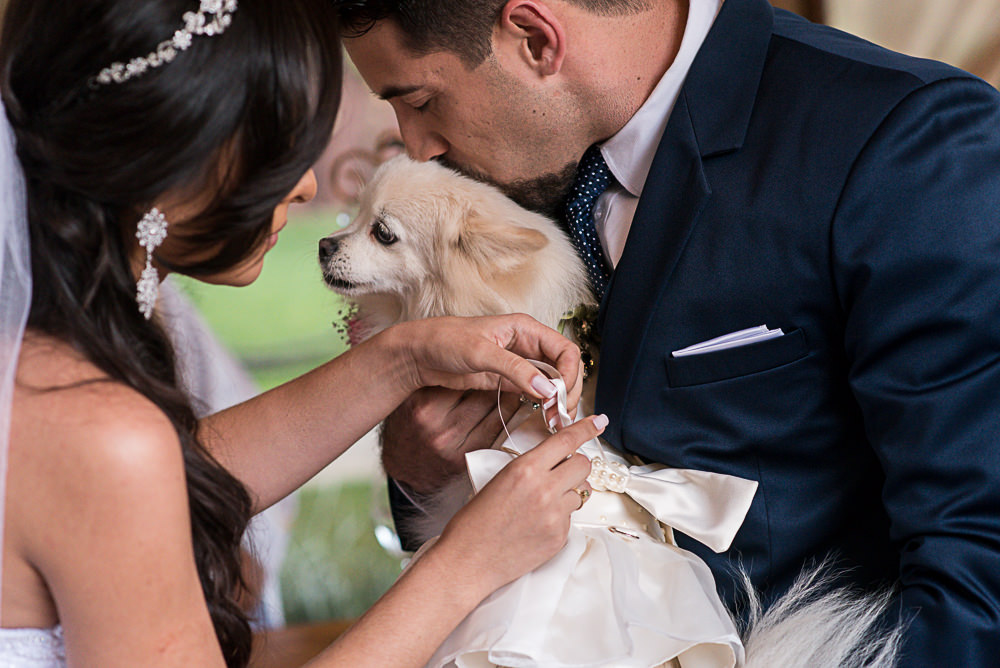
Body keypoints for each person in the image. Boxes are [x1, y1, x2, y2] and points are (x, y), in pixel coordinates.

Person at [334, 0, 1000, 665]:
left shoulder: (904, 142)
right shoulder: (512, 166)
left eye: (421, 102)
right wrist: (418, 459)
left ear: (536, 39)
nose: (419, 146)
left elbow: (977, 548)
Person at [0, 0, 605, 666]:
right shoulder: (105, 439)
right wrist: (466, 562)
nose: (307, 186)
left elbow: (189, 469)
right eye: (281, 148)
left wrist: (407, 357)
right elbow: (137, 473)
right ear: (172, 149)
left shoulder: (38, 370)